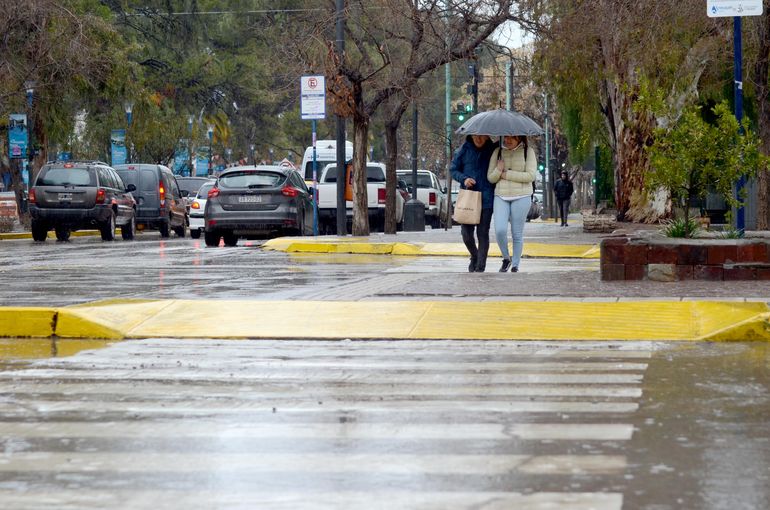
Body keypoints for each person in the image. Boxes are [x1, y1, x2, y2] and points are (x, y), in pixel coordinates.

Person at [487, 135, 537, 273]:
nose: (507, 140)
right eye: (506, 138)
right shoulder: (498, 152)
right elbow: (490, 178)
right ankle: (506, 258)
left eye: (512, 138)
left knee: (517, 233)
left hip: (522, 196)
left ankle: (515, 264)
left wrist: (506, 174)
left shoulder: (528, 151)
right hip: (501, 196)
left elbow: (530, 176)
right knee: (500, 230)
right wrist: (498, 170)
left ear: (519, 139)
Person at [451, 134, 498, 272]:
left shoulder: (494, 150)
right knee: (466, 234)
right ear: (470, 135)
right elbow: (453, 169)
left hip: (487, 198)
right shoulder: (464, 149)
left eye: (482, 136)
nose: (478, 139)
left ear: (487, 136)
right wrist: (464, 179)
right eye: (475, 136)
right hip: (469, 198)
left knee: (483, 233)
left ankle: (481, 266)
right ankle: (475, 256)